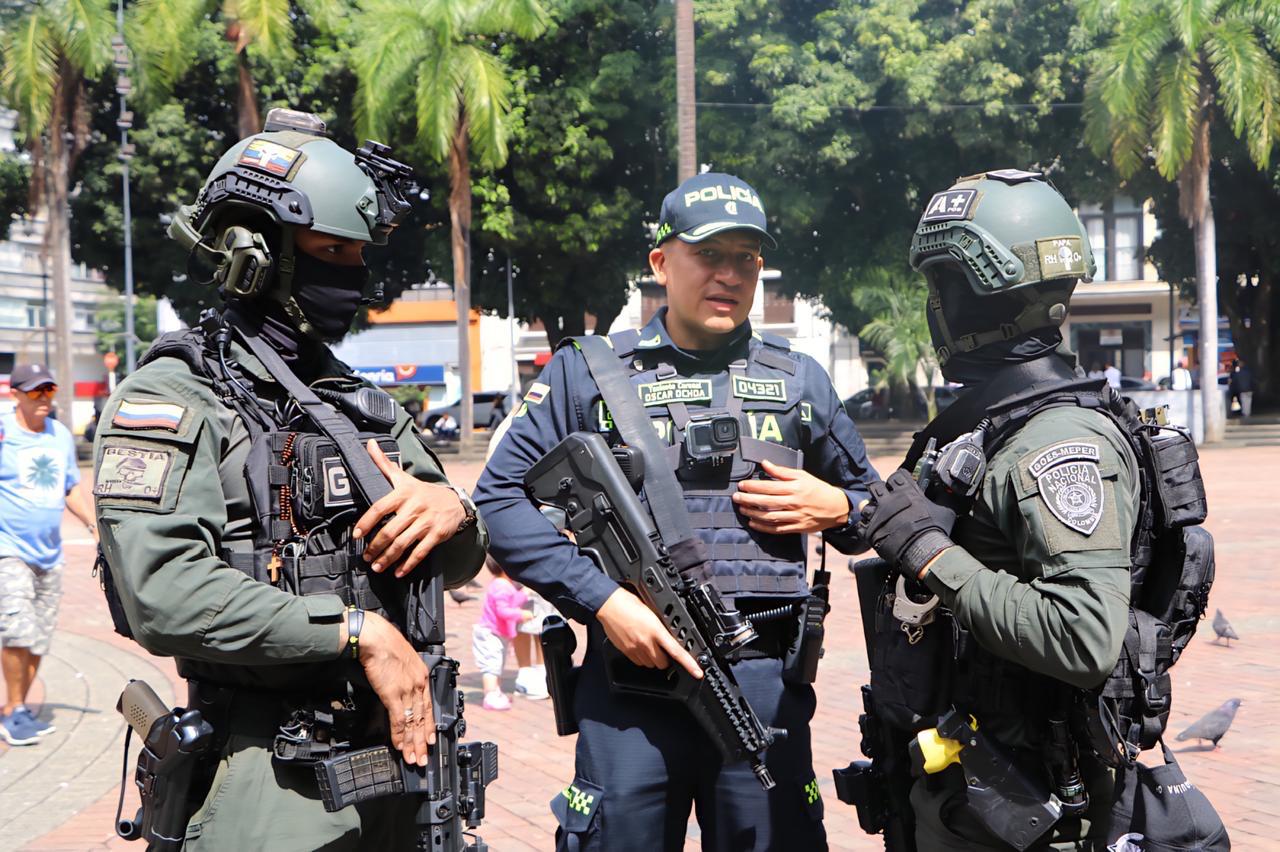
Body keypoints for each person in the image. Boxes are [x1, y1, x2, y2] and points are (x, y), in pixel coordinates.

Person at [93, 110, 487, 848]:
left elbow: (461, 558)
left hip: (404, 765)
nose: (353, 273)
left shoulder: (355, 401)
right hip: (269, 777)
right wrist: (353, 631)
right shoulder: (174, 398)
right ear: (254, 248)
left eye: (358, 252)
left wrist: (453, 507)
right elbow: (164, 594)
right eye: (330, 248)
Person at [475, 172, 879, 851]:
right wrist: (603, 600)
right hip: (630, 684)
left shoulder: (800, 378)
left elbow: (882, 515)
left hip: (764, 688)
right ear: (661, 263)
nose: (730, 274)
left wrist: (836, 505)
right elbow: (497, 499)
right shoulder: (588, 373)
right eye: (710, 255)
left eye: (746, 258)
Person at [858, 169, 1141, 849]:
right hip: (969, 785)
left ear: (985, 293)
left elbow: (1083, 636)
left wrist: (932, 557)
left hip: (1027, 802)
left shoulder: (1058, 441)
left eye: (943, 287)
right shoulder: (993, 426)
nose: (937, 307)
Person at [0, 364, 98, 745]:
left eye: (49, 390)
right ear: (16, 395)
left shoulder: (58, 435)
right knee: (17, 629)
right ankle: (12, 712)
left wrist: (93, 526)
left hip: (49, 553)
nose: (44, 399)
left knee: (39, 637)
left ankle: (20, 707)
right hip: (8, 550)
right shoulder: (5, 433)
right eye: (35, 392)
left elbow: (70, 487)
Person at [472, 555, 533, 710]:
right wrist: (521, 615)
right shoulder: (501, 586)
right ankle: (490, 695)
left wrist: (524, 594)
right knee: (491, 666)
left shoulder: (502, 583)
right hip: (490, 634)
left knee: (497, 664)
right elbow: (503, 611)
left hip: (497, 633)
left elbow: (512, 600)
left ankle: (496, 692)